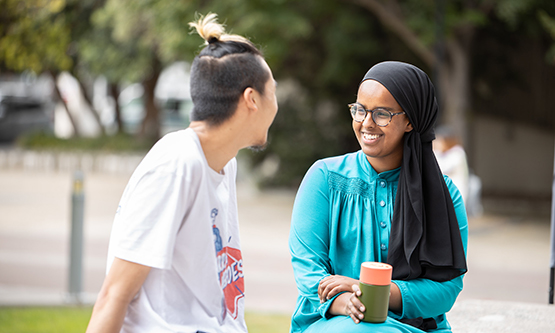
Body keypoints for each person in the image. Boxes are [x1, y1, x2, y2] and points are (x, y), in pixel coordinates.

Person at [86, 13, 278, 333]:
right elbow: (113, 294)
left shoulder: (222, 163)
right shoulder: (177, 165)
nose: (277, 104)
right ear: (252, 99)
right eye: (273, 91)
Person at [289, 61, 468, 333]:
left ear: (410, 120)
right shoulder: (325, 178)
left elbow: (446, 289)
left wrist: (371, 291)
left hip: (416, 326)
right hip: (333, 319)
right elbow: (308, 271)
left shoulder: (443, 196)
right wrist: (348, 301)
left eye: (381, 113)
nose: (366, 123)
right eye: (359, 110)